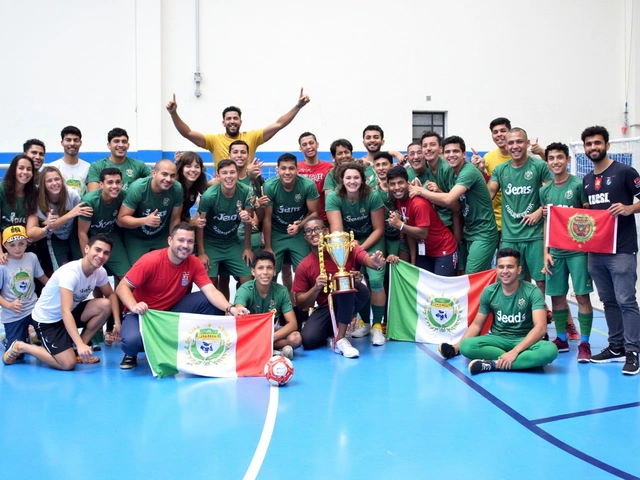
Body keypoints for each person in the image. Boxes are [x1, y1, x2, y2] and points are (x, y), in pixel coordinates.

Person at [117, 222, 249, 369]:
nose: (185, 245)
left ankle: (193, 343)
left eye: (190, 241)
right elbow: (122, 287)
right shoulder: (150, 260)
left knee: (209, 301)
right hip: (143, 314)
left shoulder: (194, 263)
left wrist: (231, 309)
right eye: (181, 240)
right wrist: (134, 306)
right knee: (131, 342)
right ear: (169, 241)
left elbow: (210, 291)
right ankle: (133, 352)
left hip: (170, 313)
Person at [2, 234, 119, 369]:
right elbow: (65, 311)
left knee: (105, 305)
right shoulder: (71, 273)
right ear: (87, 249)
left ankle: (78, 348)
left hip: (69, 314)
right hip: (48, 321)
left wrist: (116, 323)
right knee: (68, 364)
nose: (101, 256)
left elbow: (110, 295)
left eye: (106, 253)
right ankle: (22, 346)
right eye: (97, 250)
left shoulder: (100, 272)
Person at [438, 248, 558, 375]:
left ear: (519, 270)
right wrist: (457, 347)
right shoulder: (489, 292)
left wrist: (515, 351)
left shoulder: (532, 291)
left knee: (550, 350)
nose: (505, 271)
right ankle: (521, 361)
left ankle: (494, 364)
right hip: (498, 340)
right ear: (496, 270)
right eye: (501, 267)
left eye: (510, 267)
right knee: (467, 346)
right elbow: (477, 325)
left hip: (524, 340)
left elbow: (540, 328)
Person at [581, 125, 640, 374]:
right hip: (597, 252)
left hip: (622, 249)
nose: (593, 147)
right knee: (608, 301)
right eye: (589, 144)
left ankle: (633, 351)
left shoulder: (625, 171)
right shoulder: (585, 180)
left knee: (626, 300)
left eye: (597, 143)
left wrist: (629, 209)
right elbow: (585, 215)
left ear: (607, 144)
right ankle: (615, 346)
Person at [293, 217, 384, 358]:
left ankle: (340, 339)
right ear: (305, 236)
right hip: (326, 308)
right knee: (308, 340)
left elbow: (369, 260)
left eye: (318, 229)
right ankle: (334, 330)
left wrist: (376, 262)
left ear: (326, 231)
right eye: (308, 231)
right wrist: (316, 288)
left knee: (345, 282)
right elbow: (300, 302)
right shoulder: (304, 266)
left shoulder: (346, 247)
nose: (313, 233)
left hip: (351, 296)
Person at [410, 135, 498, 273]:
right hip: (468, 231)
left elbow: (449, 199)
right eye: (448, 152)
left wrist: (421, 191)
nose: (451, 155)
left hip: (484, 233)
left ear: (464, 154)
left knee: (471, 276)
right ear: (443, 154)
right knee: (476, 276)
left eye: (456, 151)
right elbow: (456, 205)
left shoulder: (468, 172)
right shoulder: (453, 172)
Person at [540, 142, 594, 362]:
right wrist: (546, 251)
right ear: (547, 162)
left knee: (581, 295)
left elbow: (590, 218)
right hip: (556, 252)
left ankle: (585, 343)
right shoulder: (545, 190)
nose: (556, 162)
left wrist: (588, 248)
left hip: (578, 251)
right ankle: (561, 339)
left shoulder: (579, 185)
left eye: (560, 157)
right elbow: (547, 223)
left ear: (568, 160)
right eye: (551, 158)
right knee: (557, 296)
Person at [166, 88, 310, 169]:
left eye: (235, 118)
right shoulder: (213, 140)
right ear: (223, 123)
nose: (232, 121)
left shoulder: (252, 137)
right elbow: (187, 133)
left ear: (240, 122)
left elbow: (279, 124)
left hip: (247, 187)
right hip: (222, 187)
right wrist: (173, 113)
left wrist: (298, 106)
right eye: (228, 119)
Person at [326, 162, 386, 345]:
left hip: (371, 240)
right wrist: (351, 247)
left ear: (363, 179)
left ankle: (377, 326)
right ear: (342, 180)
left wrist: (361, 248)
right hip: (345, 244)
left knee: (375, 280)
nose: (352, 181)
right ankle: (365, 322)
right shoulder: (334, 197)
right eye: (348, 178)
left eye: (356, 177)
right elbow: (337, 232)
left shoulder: (373, 195)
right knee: (353, 279)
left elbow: (379, 228)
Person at [488, 128, 551, 294]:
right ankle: (522, 317)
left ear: (527, 144)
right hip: (510, 236)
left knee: (541, 282)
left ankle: (539, 316)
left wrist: (540, 210)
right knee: (514, 281)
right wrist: (477, 173)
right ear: (506, 146)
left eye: (519, 142)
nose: (515, 146)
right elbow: (488, 194)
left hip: (535, 235)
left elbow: (554, 192)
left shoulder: (539, 166)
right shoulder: (500, 170)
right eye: (511, 143)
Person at [386, 165, 458, 275]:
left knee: (441, 290)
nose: (396, 187)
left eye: (400, 183)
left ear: (408, 183)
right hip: (425, 253)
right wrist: (413, 261)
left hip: (444, 249)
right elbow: (409, 230)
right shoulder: (399, 200)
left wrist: (400, 225)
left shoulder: (418, 203)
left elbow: (423, 233)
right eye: (392, 184)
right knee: (424, 289)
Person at [234, 250, 301, 359]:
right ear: (253, 272)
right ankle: (276, 351)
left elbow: (292, 323)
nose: (265, 272)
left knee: (296, 338)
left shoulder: (282, 291)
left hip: (270, 332)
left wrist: (272, 337)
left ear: (274, 271)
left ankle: (267, 348)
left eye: (269, 268)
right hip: (250, 332)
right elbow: (238, 309)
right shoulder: (245, 289)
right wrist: (240, 310)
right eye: (260, 268)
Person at [196, 159, 254, 287]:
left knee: (248, 280)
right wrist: (201, 253)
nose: (229, 176)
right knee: (210, 283)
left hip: (232, 242)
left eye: (232, 172)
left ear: (237, 174)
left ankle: (243, 306)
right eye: (224, 173)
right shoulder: (209, 196)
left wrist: (247, 248)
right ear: (218, 175)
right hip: (210, 243)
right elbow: (200, 226)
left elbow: (249, 222)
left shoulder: (246, 191)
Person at [117, 159, 183, 265]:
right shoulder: (138, 188)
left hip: (162, 236)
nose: (168, 179)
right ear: (154, 173)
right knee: (138, 274)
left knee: (167, 269)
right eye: (164, 174)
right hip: (137, 237)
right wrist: (145, 220)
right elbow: (121, 220)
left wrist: (174, 240)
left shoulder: (177, 188)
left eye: (172, 176)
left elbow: (175, 219)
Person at [26, 166, 91, 273]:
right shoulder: (37, 200)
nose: (54, 183)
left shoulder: (72, 195)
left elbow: (81, 216)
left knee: (81, 269)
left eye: (57, 179)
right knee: (63, 272)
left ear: (62, 180)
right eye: (49, 181)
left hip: (73, 235)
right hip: (54, 238)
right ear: (43, 184)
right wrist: (68, 215)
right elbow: (31, 235)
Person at [263, 153, 319, 275]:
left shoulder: (307, 185)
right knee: (269, 271)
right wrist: (268, 247)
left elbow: (314, 212)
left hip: (299, 233)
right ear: (277, 170)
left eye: (291, 168)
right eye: (283, 168)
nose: (287, 172)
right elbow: (267, 218)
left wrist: (299, 226)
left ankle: (300, 294)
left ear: (297, 169)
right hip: (276, 232)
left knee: (306, 271)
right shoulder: (269, 186)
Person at [0, 226, 48, 362]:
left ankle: (33, 335)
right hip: (13, 314)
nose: (17, 248)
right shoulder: (2, 265)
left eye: (21, 243)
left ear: (27, 242)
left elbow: (42, 278)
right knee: (17, 357)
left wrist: (57, 287)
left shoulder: (32, 257)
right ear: (4, 245)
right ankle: (8, 338)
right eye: (12, 245)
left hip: (33, 308)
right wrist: (9, 305)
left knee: (50, 345)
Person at [470, 117, 512, 233]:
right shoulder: (488, 158)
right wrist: (480, 169)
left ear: (510, 132)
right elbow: (485, 189)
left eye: (503, 131)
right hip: (494, 220)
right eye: (495, 132)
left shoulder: (520, 158)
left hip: (516, 219)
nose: (499, 135)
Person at [419, 132, 460, 237]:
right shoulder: (426, 170)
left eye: (432, 144)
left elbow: (457, 206)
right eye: (425, 146)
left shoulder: (447, 169)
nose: (428, 148)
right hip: (435, 223)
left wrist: (457, 237)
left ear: (440, 149)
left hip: (450, 225)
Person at [86, 128, 151, 192]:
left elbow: (154, 181)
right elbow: (93, 194)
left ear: (128, 145)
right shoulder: (97, 166)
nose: (121, 145)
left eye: (124, 142)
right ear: (109, 145)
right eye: (116, 141)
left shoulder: (139, 165)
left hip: (131, 202)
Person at [297, 132, 333, 222]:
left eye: (311, 143)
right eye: (304, 145)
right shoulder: (296, 169)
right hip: (303, 220)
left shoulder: (329, 167)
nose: (309, 147)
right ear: (300, 149)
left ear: (317, 144)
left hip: (326, 219)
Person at [49, 125, 91, 196]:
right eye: (68, 140)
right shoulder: (53, 167)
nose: (72, 143)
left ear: (80, 143)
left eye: (76, 140)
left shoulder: (88, 168)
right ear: (62, 143)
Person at [0, 154, 37, 231]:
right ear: (13, 170)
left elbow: (31, 231)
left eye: (29, 169)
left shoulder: (35, 192)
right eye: (21, 168)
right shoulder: (2, 190)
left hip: (24, 240)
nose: (25, 172)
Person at [175, 151, 208, 224]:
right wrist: (190, 222)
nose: (193, 170)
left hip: (184, 220)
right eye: (188, 166)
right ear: (182, 168)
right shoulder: (175, 186)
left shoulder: (198, 185)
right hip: (170, 223)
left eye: (197, 167)